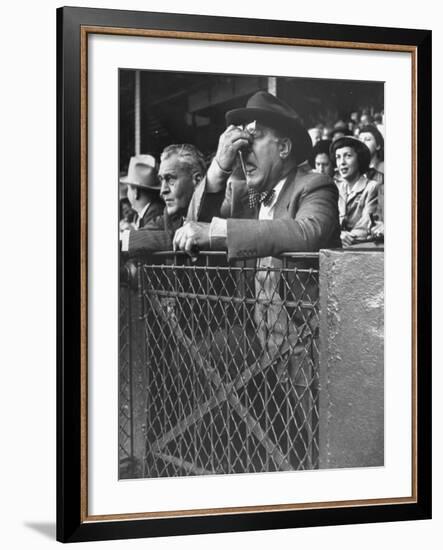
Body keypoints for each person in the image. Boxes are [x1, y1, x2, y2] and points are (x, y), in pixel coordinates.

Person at [121, 144, 208, 256]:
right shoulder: (170, 216)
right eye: (161, 180)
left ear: (197, 180)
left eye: (170, 179)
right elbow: (139, 236)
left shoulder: (215, 211)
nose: (162, 191)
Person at [331, 136, 381, 247]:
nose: (342, 162)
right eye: (338, 157)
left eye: (348, 156)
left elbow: (367, 225)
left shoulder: (372, 187)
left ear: (359, 159)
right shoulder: (336, 189)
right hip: (338, 247)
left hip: (361, 247)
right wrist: (339, 235)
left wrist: (343, 237)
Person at [119, 154, 164, 229]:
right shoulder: (147, 213)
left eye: (128, 189)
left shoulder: (155, 214)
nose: (127, 194)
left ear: (136, 192)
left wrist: (131, 233)